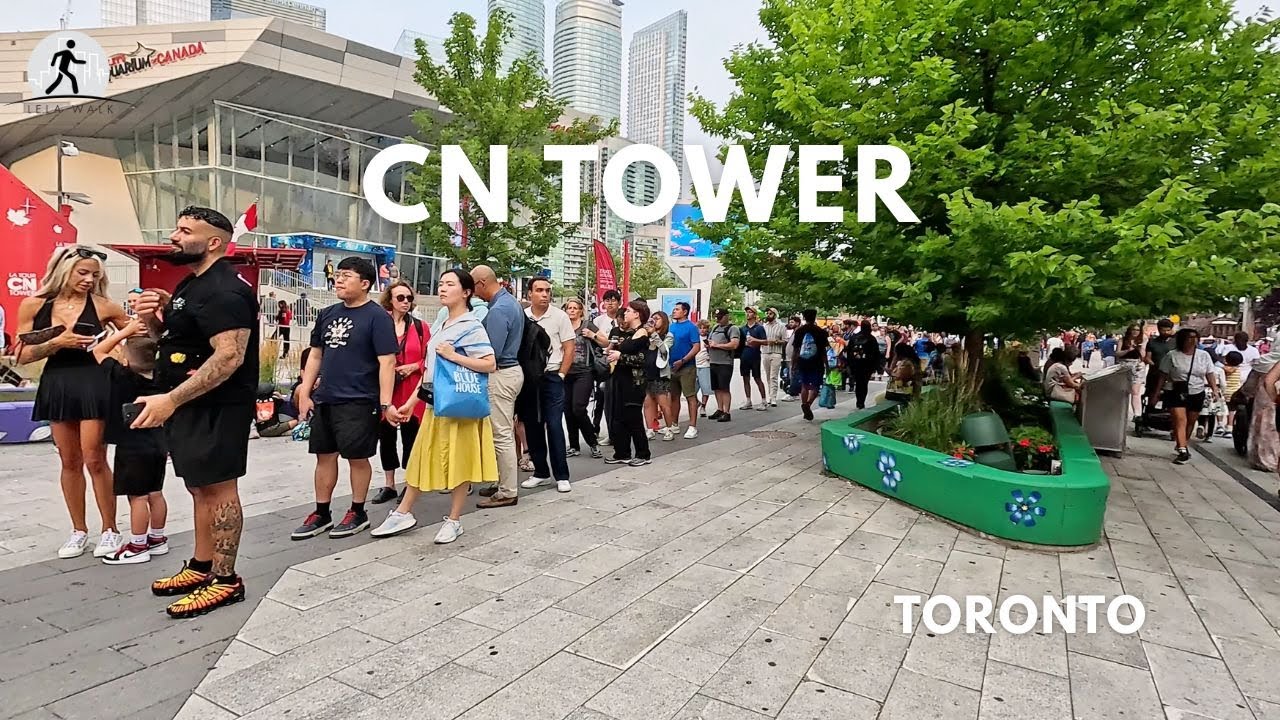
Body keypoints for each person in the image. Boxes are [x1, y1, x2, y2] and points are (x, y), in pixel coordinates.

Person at [131, 206, 257, 618]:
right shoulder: (191, 284)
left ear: (215, 241)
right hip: (190, 406)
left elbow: (228, 358)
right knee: (200, 488)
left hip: (217, 407)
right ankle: (202, 566)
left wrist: (170, 400)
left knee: (220, 490)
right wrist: (154, 319)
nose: (173, 235)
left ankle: (225, 580)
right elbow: (174, 341)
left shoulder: (225, 289)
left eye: (185, 230)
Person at [15, 244, 127, 559]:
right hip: (58, 381)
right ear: (64, 269)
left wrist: (114, 349)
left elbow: (135, 334)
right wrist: (56, 342)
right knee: (69, 461)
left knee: (95, 458)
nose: (89, 279)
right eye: (83, 272)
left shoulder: (104, 306)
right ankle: (78, 530)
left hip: (94, 381)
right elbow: (20, 355)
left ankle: (110, 530)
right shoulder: (34, 305)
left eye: (95, 274)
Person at [372, 269, 497, 541]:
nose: (442, 288)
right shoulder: (440, 325)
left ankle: (454, 519)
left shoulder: (471, 325)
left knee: (460, 461)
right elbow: (430, 370)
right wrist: (410, 402)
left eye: (450, 284)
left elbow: (489, 363)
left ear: (466, 292)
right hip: (435, 403)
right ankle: (404, 512)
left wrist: (455, 356)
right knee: (420, 456)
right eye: (441, 284)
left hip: (459, 406)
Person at [292, 257, 402, 541]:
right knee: (324, 456)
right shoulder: (328, 313)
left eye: (347, 276)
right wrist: (305, 391)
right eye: (338, 275)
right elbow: (315, 354)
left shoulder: (377, 317)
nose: (339, 280)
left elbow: (387, 362)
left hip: (360, 399)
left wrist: (386, 404)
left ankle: (357, 510)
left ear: (365, 284)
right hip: (327, 397)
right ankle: (321, 512)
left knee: (357, 457)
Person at [92, 318, 169, 565]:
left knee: (137, 497)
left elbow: (98, 350)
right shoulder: (162, 378)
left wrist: (124, 332)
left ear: (126, 357)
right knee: (155, 492)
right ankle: (157, 539)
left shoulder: (121, 375)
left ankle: (137, 545)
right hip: (158, 442)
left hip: (132, 445)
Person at [471, 266, 525, 509]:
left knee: (501, 434)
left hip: (502, 374)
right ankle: (502, 482)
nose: (472, 292)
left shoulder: (499, 309)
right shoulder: (509, 302)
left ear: (482, 283)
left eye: (473, 286)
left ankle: (507, 490)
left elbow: (491, 352)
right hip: (510, 372)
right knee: (502, 432)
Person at [372, 281, 428, 505]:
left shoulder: (421, 327)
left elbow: (430, 358)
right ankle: (389, 484)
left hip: (411, 390)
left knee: (411, 438)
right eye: (401, 298)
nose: (406, 302)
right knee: (386, 437)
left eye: (409, 298)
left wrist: (414, 366)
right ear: (390, 300)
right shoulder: (379, 324)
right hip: (386, 389)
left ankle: (409, 483)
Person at [520, 277, 576, 494]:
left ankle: (562, 475)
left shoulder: (559, 316)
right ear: (529, 294)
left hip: (552, 377)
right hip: (529, 379)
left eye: (547, 290)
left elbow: (569, 348)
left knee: (553, 425)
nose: (544, 294)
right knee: (533, 425)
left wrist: (562, 373)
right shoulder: (523, 317)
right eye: (539, 290)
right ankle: (541, 472)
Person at [1152, 328, 1221, 465]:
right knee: (1180, 420)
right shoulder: (1172, 355)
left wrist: (1215, 389)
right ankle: (1183, 450)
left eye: (1195, 337)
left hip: (1197, 391)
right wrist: (1156, 393)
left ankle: (1182, 443)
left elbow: (1210, 373)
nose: (1192, 340)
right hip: (1175, 390)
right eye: (1189, 337)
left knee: (1191, 421)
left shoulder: (1203, 355)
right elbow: (1162, 375)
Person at [604, 300, 653, 466]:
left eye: (629, 310)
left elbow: (642, 360)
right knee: (619, 417)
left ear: (637, 314)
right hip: (621, 379)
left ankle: (643, 453)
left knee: (633, 418)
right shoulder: (631, 332)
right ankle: (622, 452)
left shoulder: (643, 334)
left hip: (634, 382)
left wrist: (620, 356)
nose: (625, 313)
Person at [562, 299, 602, 458]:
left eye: (574, 308)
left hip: (584, 371)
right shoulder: (562, 326)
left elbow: (605, 342)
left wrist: (592, 335)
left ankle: (592, 442)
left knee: (578, 408)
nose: (571, 311)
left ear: (580, 311)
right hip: (565, 371)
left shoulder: (587, 325)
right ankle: (573, 445)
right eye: (569, 308)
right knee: (567, 409)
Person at [666, 301, 702, 438]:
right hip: (671, 366)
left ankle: (692, 426)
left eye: (677, 309)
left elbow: (696, 347)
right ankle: (674, 424)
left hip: (687, 366)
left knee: (690, 396)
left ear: (685, 311)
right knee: (674, 396)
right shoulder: (671, 327)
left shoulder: (691, 327)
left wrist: (683, 360)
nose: (674, 311)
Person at [590, 290, 622, 444]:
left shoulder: (623, 319)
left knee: (615, 400)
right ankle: (595, 429)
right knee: (600, 399)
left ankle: (615, 432)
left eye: (613, 300)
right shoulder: (597, 321)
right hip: (602, 363)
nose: (610, 303)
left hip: (619, 363)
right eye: (607, 300)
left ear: (619, 302)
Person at [790, 309, 831, 420]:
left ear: (804, 317)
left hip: (802, 361)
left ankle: (804, 406)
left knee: (804, 385)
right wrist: (827, 365)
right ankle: (807, 404)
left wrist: (793, 363)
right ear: (814, 317)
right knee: (815, 386)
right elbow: (823, 351)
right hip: (817, 362)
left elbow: (796, 350)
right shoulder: (821, 332)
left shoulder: (799, 331)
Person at [643, 310, 677, 441]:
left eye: (657, 318)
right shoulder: (647, 335)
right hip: (647, 373)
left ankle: (669, 428)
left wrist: (654, 334)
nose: (654, 321)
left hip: (660, 374)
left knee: (663, 404)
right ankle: (650, 429)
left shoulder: (668, 336)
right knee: (648, 403)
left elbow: (664, 350)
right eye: (652, 318)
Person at [705, 309, 740, 422]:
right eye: (716, 317)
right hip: (713, 361)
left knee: (724, 388)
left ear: (726, 316)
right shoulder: (715, 327)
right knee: (716, 388)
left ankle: (727, 412)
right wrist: (709, 345)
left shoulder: (732, 328)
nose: (718, 319)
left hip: (725, 362)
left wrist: (718, 345)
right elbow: (711, 340)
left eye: (720, 317)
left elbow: (734, 344)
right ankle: (720, 409)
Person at [845, 319, 881, 409]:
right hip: (867, 364)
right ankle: (862, 401)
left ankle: (858, 401)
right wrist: (876, 366)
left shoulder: (854, 337)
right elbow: (876, 353)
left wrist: (849, 364)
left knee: (858, 382)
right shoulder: (871, 338)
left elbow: (849, 352)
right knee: (864, 384)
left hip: (856, 364)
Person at [1143, 318, 1177, 410]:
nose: (1166, 332)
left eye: (1168, 330)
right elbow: (1147, 358)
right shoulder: (1152, 342)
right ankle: (1150, 414)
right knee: (1153, 396)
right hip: (1155, 374)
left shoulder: (1176, 342)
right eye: (1163, 330)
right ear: (1158, 330)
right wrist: (1155, 366)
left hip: (1172, 375)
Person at [739, 308, 768, 410]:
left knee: (757, 378)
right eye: (747, 312)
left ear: (755, 315)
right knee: (745, 378)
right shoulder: (743, 329)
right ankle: (748, 400)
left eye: (750, 312)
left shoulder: (759, 328)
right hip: (744, 355)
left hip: (755, 356)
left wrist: (755, 340)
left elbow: (765, 341)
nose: (748, 314)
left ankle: (764, 400)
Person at [1117, 324, 1147, 418]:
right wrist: (1128, 350)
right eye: (1133, 329)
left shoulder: (1143, 339)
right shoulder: (1123, 340)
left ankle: (1137, 415)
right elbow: (1117, 353)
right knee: (1122, 390)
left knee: (1135, 391)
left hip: (1136, 365)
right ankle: (1120, 412)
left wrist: (1140, 348)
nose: (1135, 332)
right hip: (1124, 365)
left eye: (1138, 330)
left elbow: (1143, 355)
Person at [759, 308, 787, 408]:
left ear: (775, 315)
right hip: (765, 352)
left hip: (776, 352)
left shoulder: (781, 326)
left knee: (773, 376)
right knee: (767, 376)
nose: (768, 315)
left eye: (770, 313)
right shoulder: (764, 326)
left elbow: (785, 340)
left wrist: (775, 341)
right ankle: (770, 396)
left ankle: (773, 397)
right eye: (767, 313)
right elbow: (761, 339)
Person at [695, 319, 713, 417]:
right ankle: (697, 402)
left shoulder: (709, 338)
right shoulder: (695, 338)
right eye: (700, 328)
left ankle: (703, 406)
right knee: (691, 389)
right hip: (694, 364)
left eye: (704, 328)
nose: (702, 330)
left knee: (705, 388)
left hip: (705, 365)